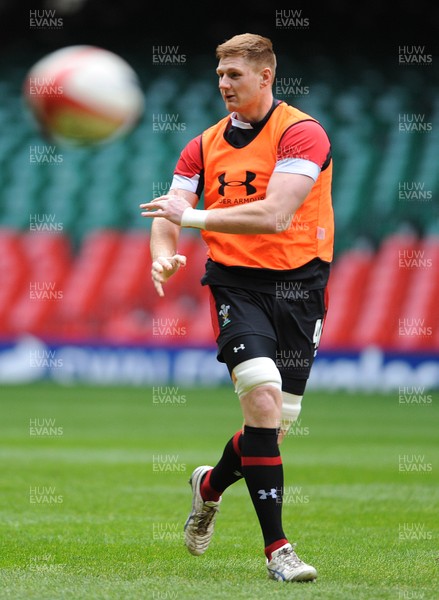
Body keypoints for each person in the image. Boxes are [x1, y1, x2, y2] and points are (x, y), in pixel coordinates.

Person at [140, 32, 333, 583]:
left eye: (235, 76)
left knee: (274, 424)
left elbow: (275, 215)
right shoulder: (201, 145)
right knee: (264, 403)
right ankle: (279, 551)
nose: (224, 84)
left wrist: (189, 220)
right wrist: (164, 253)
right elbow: (169, 210)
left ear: (266, 77)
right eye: (220, 74)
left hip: (301, 286)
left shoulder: (301, 134)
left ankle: (208, 485)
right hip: (235, 284)